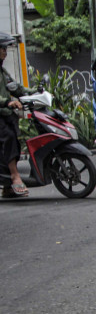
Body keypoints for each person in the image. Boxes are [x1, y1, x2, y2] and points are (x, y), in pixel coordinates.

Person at [0, 33, 28, 198]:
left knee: (15, 143)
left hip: (6, 115)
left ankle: (7, 187)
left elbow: (17, 88)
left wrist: (37, 93)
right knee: (9, 138)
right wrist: (7, 102)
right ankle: (14, 176)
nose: (5, 52)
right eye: (2, 48)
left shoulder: (3, 72)